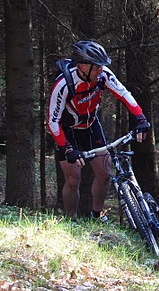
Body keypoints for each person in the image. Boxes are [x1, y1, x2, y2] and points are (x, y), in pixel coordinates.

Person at [47, 40, 151, 220]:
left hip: (91, 125)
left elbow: (123, 94)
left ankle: (97, 216)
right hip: (67, 131)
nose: (101, 71)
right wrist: (67, 148)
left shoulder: (103, 75)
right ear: (82, 66)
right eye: (96, 67)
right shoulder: (64, 83)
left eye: (102, 67)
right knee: (73, 179)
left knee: (105, 174)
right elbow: (53, 121)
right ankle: (70, 219)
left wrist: (140, 118)